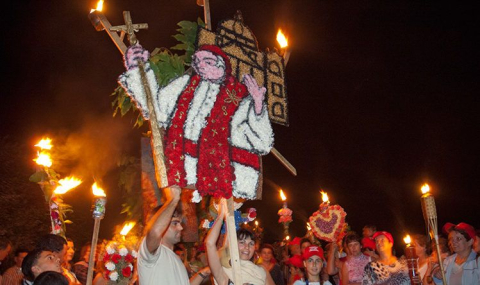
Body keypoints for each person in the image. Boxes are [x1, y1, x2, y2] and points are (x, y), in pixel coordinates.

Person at [119, 44, 274, 202]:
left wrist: (258, 106)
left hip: (227, 180)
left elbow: (264, 144)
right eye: (197, 61)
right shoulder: (185, 84)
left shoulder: (241, 97)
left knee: (223, 216)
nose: (201, 65)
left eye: (207, 61)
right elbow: (156, 110)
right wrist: (138, 70)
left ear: (222, 65)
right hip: (183, 171)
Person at [205, 200, 274, 285]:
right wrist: (221, 215)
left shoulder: (261, 271)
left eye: (251, 243)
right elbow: (209, 243)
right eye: (242, 242)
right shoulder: (225, 271)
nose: (247, 247)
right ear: (232, 245)